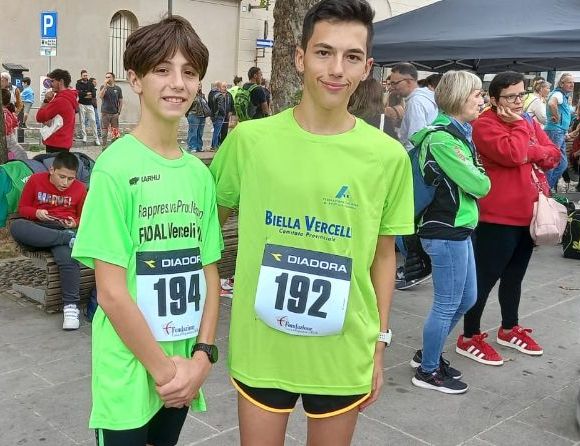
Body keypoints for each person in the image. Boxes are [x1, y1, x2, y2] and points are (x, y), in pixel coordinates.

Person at [210, 1, 414, 444]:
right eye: (324, 52)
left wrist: (379, 343)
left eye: (352, 56)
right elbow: (207, 233)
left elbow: (384, 257)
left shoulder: (388, 156)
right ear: (300, 58)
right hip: (263, 346)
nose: (336, 69)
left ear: (367, 68)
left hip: (344, 347)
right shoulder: (249, 141)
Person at [71, 16, 222, 445]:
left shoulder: (198, 174)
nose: (177, 83)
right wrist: (165, 372)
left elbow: (209, 273)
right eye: (162, 69)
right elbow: (111, 292)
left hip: (183, 366)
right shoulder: (114, 168)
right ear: (135, 80)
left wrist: (202, 357)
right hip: (130, 370)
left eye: (189, 72)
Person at [456, 71, 560, 366]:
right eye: (510, 96)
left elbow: (554, 155)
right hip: (497, 216)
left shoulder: (527, 121)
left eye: (521, 94)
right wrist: (521, 135)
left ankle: (509, 328)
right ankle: (469, 336)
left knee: (515, 276)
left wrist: (530, 148)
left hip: (529, 214)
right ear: (493, 99)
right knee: (484, 278)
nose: (517, 101)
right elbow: (513, 154)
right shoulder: (485, 124)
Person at [408, 70, 490, 394]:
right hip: (445, 231)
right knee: (446, 304)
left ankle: (428, 353)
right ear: (458, 97)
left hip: (457, 229)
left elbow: (476, 178)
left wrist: (477, 173)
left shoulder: (458, 134)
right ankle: (427, 370)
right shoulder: (443, 139)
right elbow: (480, 185)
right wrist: (478, 174)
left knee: (467, 298)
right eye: (477, 95)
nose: (482, 101)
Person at [10, 151, 86, 330]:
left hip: (62, 229)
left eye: (70, 178)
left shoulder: (80, 189)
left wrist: (74, 222)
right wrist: (36, 213)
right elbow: (23, 209)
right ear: (52, 170)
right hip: (39, 229)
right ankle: (67, 238)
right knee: (17, 226)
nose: (65, 183)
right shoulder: (36, 180)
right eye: (62, 177)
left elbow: (83, 218)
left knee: (68, 258)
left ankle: (70, 308)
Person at [389, 62, 438, 291]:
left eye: (394, 83)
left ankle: (416, 264)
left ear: (408, 81)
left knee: (405, 215)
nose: (392, 87)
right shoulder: (426, 98)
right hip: (424, 164)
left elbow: (416, 137)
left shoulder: (417, 102)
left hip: (414, 164)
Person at [545, 73, 575, 190]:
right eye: (569, 82)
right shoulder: (558, 94)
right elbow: (552, 103)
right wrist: (556, 116)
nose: (572, 84)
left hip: (559, 131)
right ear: (561, 84)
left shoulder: (563, 95)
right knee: (553, 161)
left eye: (573, 82)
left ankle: (547, 187)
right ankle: (546, 189)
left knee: (562, 164)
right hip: (555, 131)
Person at [36, 69, 78, 153]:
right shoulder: (71, 97)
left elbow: (39, 117)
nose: (50, 84)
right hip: (65, 143)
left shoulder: (60, 100)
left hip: (55, 143)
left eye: (52, 81)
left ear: (61, 81)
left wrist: (46, 100)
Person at [76, 70, 101, 146]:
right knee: (82, 121)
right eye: (84, 75)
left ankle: (96, 138)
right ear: (81, 76)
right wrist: (87, 93)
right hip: (81, 104)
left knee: (93, 121)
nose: (85, 77)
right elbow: (79, 94)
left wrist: (85, 93)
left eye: (86, 75)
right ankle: (84, 136)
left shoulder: (90, 83)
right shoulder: (78, 84)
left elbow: (93, 94)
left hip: (90, 105)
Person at [2, 89, 28, 160]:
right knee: (21, 156)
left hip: (7, 139)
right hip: (10, 139)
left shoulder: (5, 112)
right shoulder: (7, 112)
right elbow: (14, 123)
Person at [99, 72, 123, 146]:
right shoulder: (103, 87)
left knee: (115, 132)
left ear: (113, 78)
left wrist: (118, 112)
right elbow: (100, 96)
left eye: (109, 77)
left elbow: (121, 101)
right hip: (105, 113)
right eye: (106, 77)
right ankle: (104, 146)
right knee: (104, 131)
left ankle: (114, 146)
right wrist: (105, 86)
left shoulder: (118, 89)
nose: (107, 79)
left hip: (114, 114)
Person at [187, 83, 209, 152]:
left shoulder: (202, 95)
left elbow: (205, 104)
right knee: (193, 132)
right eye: (198, 85)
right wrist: (187, 114)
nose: (199, 86)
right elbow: (187, 105)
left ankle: (199, 147)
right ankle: (192, 147)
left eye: (200, 85)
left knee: (200, 132)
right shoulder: (191, 95)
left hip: (202, 115)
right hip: (194, 115)